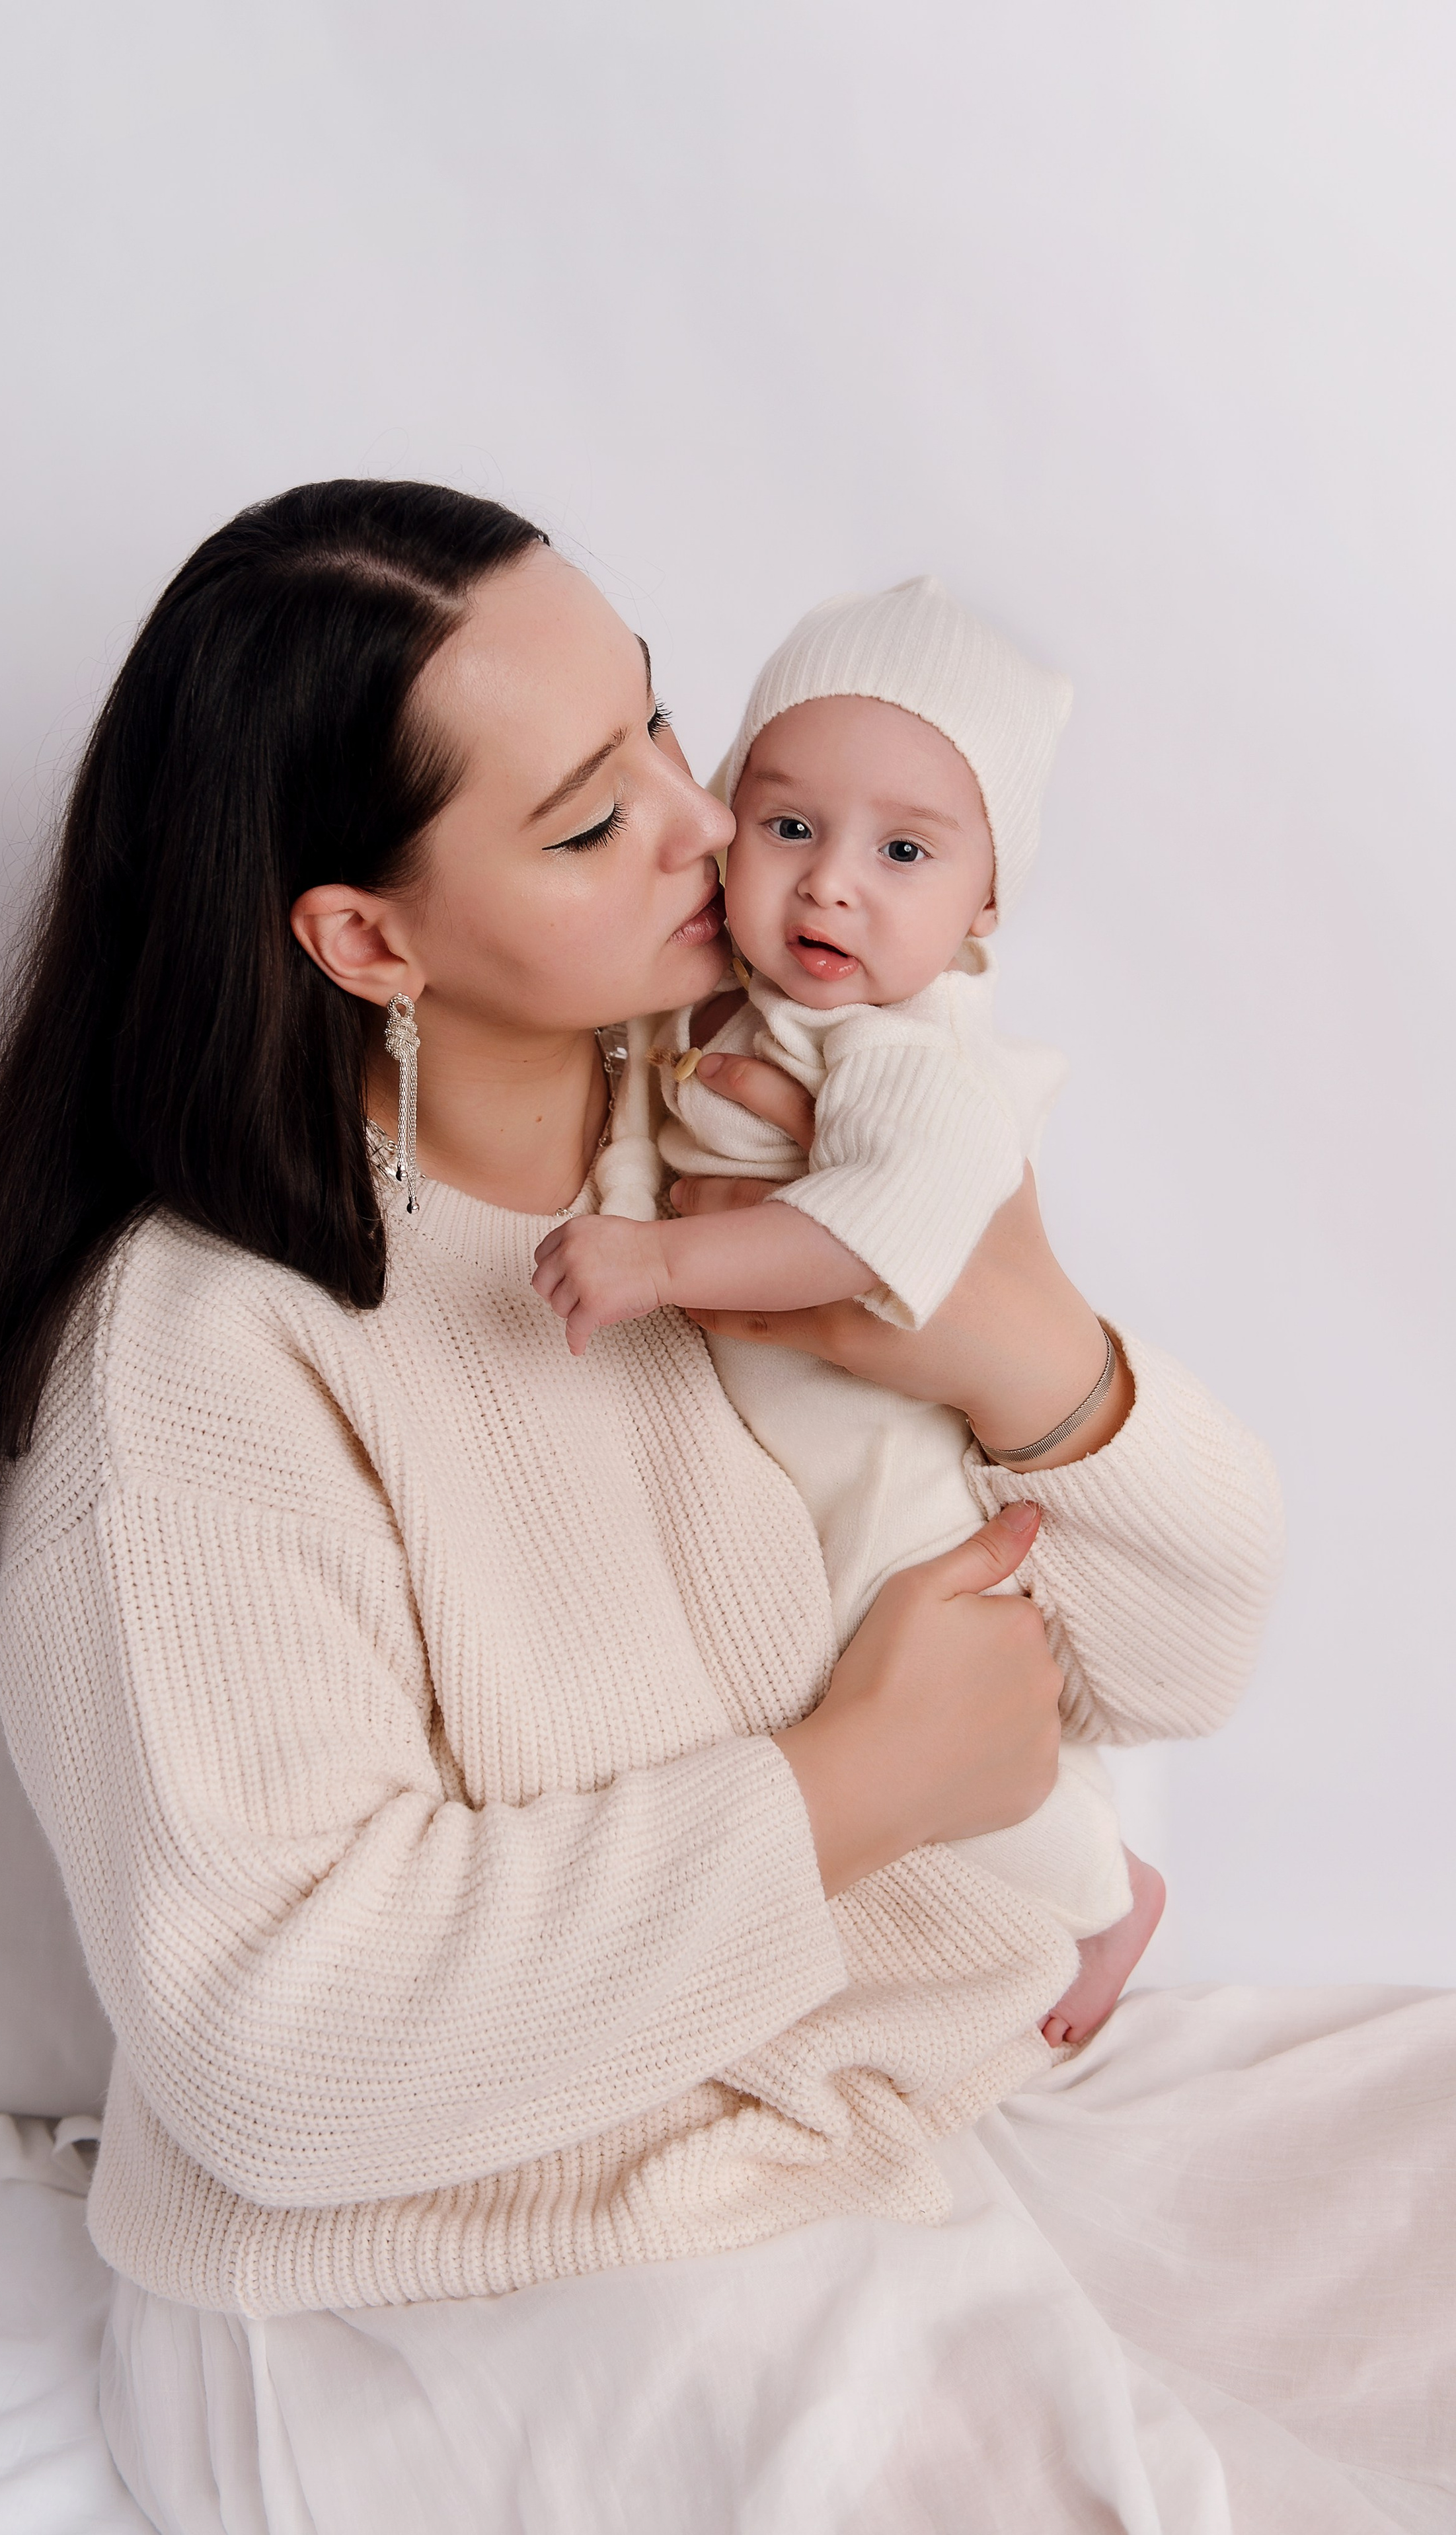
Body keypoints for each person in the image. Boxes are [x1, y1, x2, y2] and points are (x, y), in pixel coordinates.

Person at [0, 481, 1453, 2532]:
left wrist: (1027, 1354)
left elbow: (1183, 1653)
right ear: (366, 937)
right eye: (587, 814)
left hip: (888, 2095)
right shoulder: (207, 1361)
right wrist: (846, 1789)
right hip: (465, 2272)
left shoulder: (765, 1132)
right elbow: (273, 2051)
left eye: (658, 722)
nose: (712, 823)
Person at [531, 578, 1163, 2049]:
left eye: (901, 851)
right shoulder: (728, 1007)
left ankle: (1103, 1887)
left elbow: (887, 1223)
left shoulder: (898, 1046)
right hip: (771, 1449)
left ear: (981, 906)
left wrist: (657, 1266)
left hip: (880, 1467)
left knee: (922, 1690)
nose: (830, 885)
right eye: (790, 826)